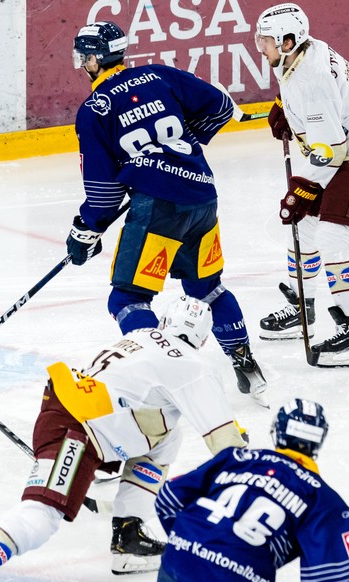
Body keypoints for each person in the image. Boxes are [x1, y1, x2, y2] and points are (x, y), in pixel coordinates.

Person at [0, 296, 248, 580]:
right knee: (41, 517)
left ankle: (129, 532)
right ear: (203, 340)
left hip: (67, 410)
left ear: (164, 322)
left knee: (167, 436)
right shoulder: (193, 365)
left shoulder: (140, 335)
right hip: (78, 430)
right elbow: (225, 441)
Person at [64, 21, 269, 401]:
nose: (81, 63)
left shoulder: (95, 109)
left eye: (85, 56)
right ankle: (247, 365)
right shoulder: (158, 74)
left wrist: (86, 229)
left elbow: (104, 192)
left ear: (96, 58)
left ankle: (166, 377)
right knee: (208, 289)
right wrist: (178, 146)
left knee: (127, 300)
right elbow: (221, 107)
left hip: (158, 209)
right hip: (202, 194)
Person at [254, 3, 349, 366]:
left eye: (266, 41)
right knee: (303, 225)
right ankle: (304, 306)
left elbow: (331, 150)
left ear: (288, 41)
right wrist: (288, 110)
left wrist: (303, 188)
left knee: (335, 238)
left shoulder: (311, 79)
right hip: (341, 149)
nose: (261, 47)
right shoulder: (302, 53)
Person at [156, 398, 349, 581]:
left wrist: (189, 541)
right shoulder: (323, 500)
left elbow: (168, 497)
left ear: (277, 432)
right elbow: (327, 576)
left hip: (178, 560)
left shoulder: (235, 459)